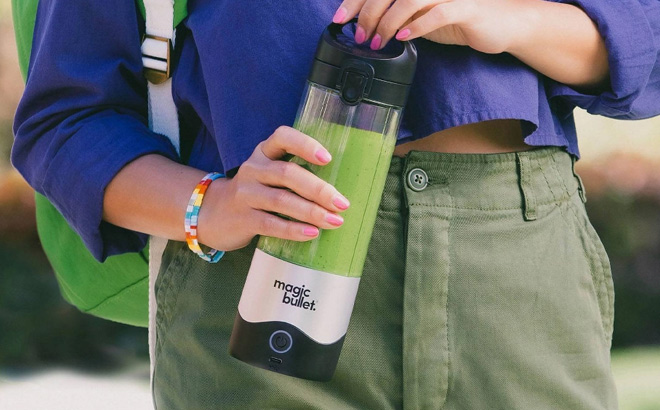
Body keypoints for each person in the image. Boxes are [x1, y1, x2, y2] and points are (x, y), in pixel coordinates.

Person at [12, 0, 660, 408]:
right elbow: (66, 122)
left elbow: (642, 38)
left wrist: (514, 16)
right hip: (262, 281)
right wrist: (207, 205)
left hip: (518, 278)